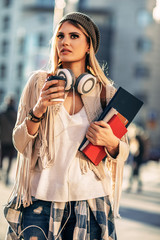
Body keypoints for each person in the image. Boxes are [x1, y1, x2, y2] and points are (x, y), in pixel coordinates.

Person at [4, 12, 129, 240]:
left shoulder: (105, 93)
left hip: (90, 202)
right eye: (60, 36)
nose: (65, 42)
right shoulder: (39, 84)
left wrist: (111, 142)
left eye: (74, 36)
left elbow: (123, 151)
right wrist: (40, 108)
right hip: (40, 200)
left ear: (88, 45)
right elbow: (19, 143)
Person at [0, 96, 17, 185]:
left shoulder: (2, 113)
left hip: (3, 140)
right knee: (10, 159)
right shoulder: (16, 113)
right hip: (12, 140)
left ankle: (2, 172)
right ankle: (6, 175)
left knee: (1, 157)